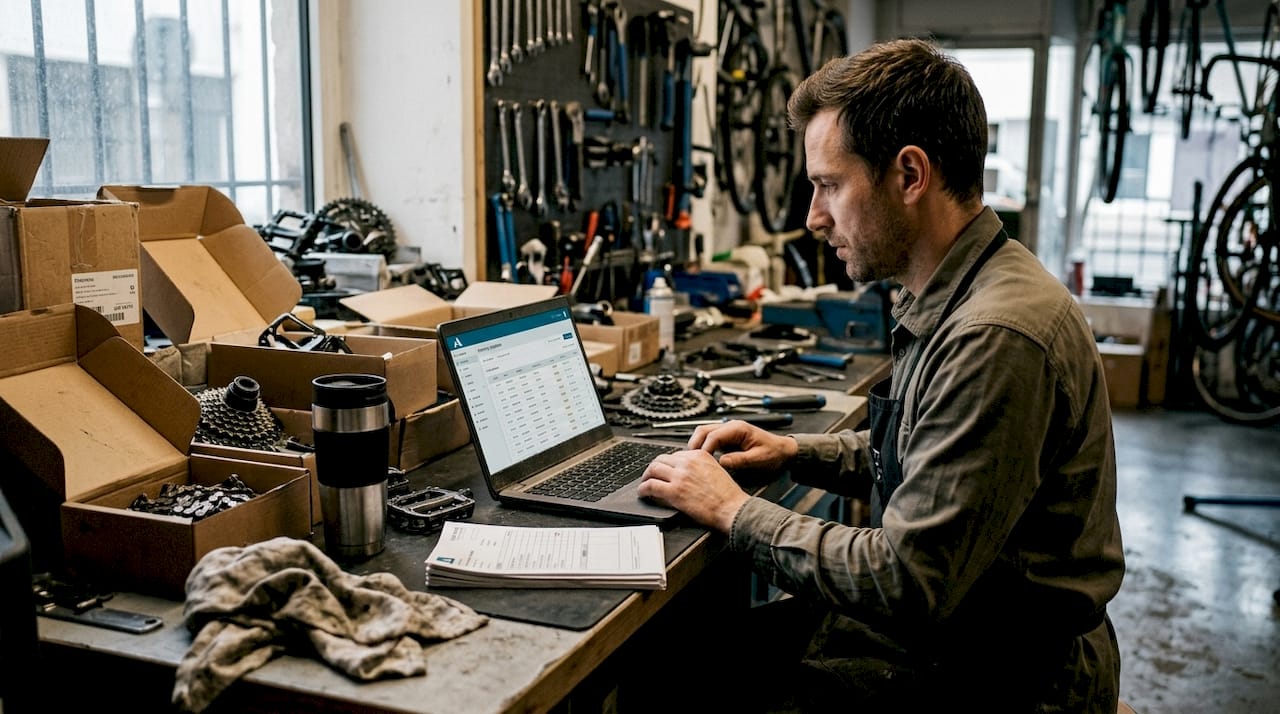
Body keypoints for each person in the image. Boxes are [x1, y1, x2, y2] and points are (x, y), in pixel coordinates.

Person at [639, 38, 1125, 712]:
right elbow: (930, 456)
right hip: (956, 632)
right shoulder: (957, 291)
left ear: (909, 175)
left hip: (1000, 673)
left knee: (682, 687)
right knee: (684, 664)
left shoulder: (995, 334)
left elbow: (905, 579)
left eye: (829, 185)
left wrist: (734, 512)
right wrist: (793, 452)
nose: (814, 217)